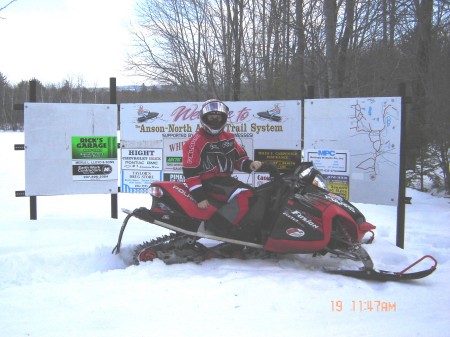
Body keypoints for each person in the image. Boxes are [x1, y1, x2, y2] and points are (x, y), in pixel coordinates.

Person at [182, 99, 262, 240]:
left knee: (258, 193)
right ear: (203, 118)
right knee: (246, 194)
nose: (215, 120)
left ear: (224, 119)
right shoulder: (195, 142)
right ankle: (218, 226)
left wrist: (250, 164)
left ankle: (246, 229)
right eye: (211, 117)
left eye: (218, 117)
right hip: (208, 182)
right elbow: (190, 172)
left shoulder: (228, 138)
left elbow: (239, 160)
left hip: (224, 180)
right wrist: (199, 197)